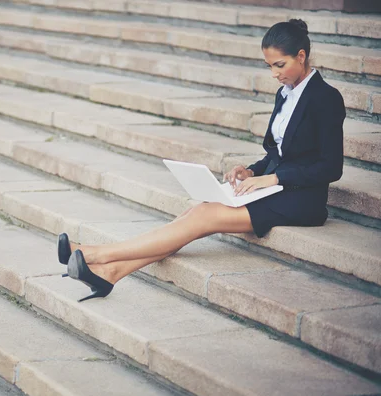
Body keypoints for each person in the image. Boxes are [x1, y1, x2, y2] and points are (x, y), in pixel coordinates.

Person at [58, 19, 346, 302]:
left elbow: (331, 167)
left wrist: (274, 178)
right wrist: (250, 171)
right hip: (273, 190)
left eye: (279, 65)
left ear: (301, 56)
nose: (274, 74)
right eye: (269, 66)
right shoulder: (285, 94)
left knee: (203, 216)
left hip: (301, 200)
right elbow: (279, 154)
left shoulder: (326, 98)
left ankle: (96, 254)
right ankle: (110, 273)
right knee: (198, 211)